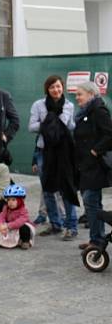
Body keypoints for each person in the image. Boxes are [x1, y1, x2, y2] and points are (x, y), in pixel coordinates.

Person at [28, 75, 80, 240]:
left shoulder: (69, 105)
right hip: (45, 151)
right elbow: (31, 126)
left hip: (63, 152)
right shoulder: (39, 105)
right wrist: (48, 122)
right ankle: (56, 224)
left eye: (58, 86)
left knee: (66, 189)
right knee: (48, 189)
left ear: (62, 87)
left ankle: (71, 226)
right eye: (52, 87)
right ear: (47, 90)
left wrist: (60, 123)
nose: (56, 90)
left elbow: (68, 124)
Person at [73, 81, 112, 251]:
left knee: (90, 200)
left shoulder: (98, 110)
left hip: (95, 165)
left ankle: (97, 241)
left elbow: (109, 134)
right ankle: (96, 238)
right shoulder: (86, 112)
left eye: (79, 94)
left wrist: (94, 151)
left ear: (91, 94)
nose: (77, 98)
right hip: (85, 164)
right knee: (91, 202)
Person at [0, 184, 35, 250]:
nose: (10, 202)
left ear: (20, 200)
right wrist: (0, 225)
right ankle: (2, 241)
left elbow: (19, 222)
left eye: (13, 200)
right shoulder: (6, 208)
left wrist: (8, 225)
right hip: (10, 228)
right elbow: (0, 216)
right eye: (8, 200)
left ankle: (25, 241)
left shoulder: (23, 210)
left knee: (24, 228)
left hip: (18, 227)